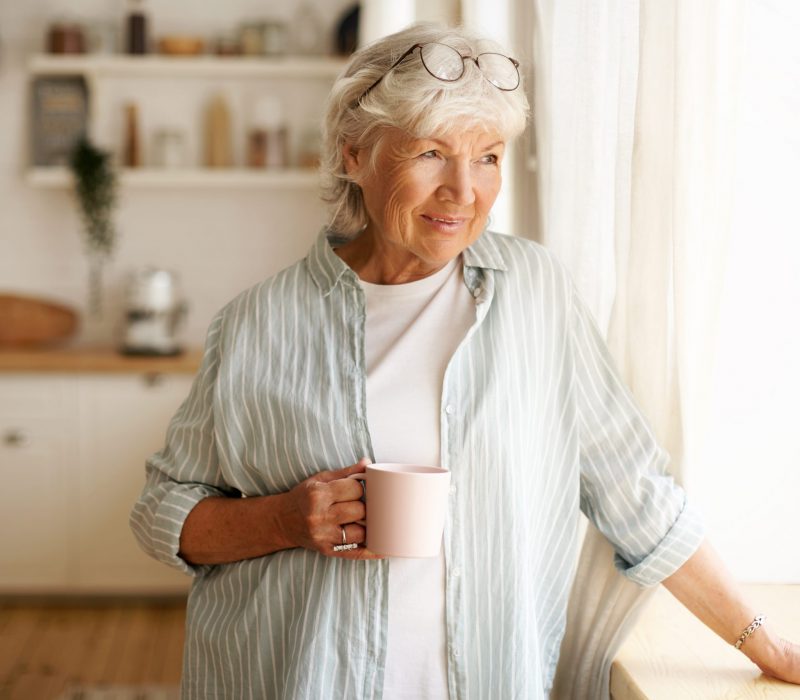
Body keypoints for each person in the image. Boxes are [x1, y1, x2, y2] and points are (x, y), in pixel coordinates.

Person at [130, 22, 800, 699]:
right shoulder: (257, 323)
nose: (464, 190)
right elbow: (163, 509)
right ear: (354, 155)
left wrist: (763, 641)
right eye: (431, 153)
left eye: (488, 156)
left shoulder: (535, 293)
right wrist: (282, 520)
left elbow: (635, 492)